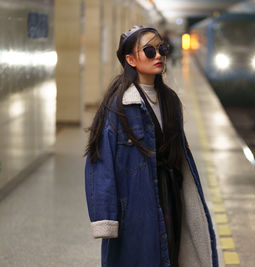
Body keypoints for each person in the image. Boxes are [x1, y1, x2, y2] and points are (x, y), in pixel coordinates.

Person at [84, 25, 218, 267]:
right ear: (130, 59)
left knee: (172, 256)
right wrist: (105, 218)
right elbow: (100, 161)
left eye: (162, 48)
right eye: (149, 51)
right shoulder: (119, 106)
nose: (158, 55)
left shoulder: (171, 101)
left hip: (171, 197)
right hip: (136, 204)